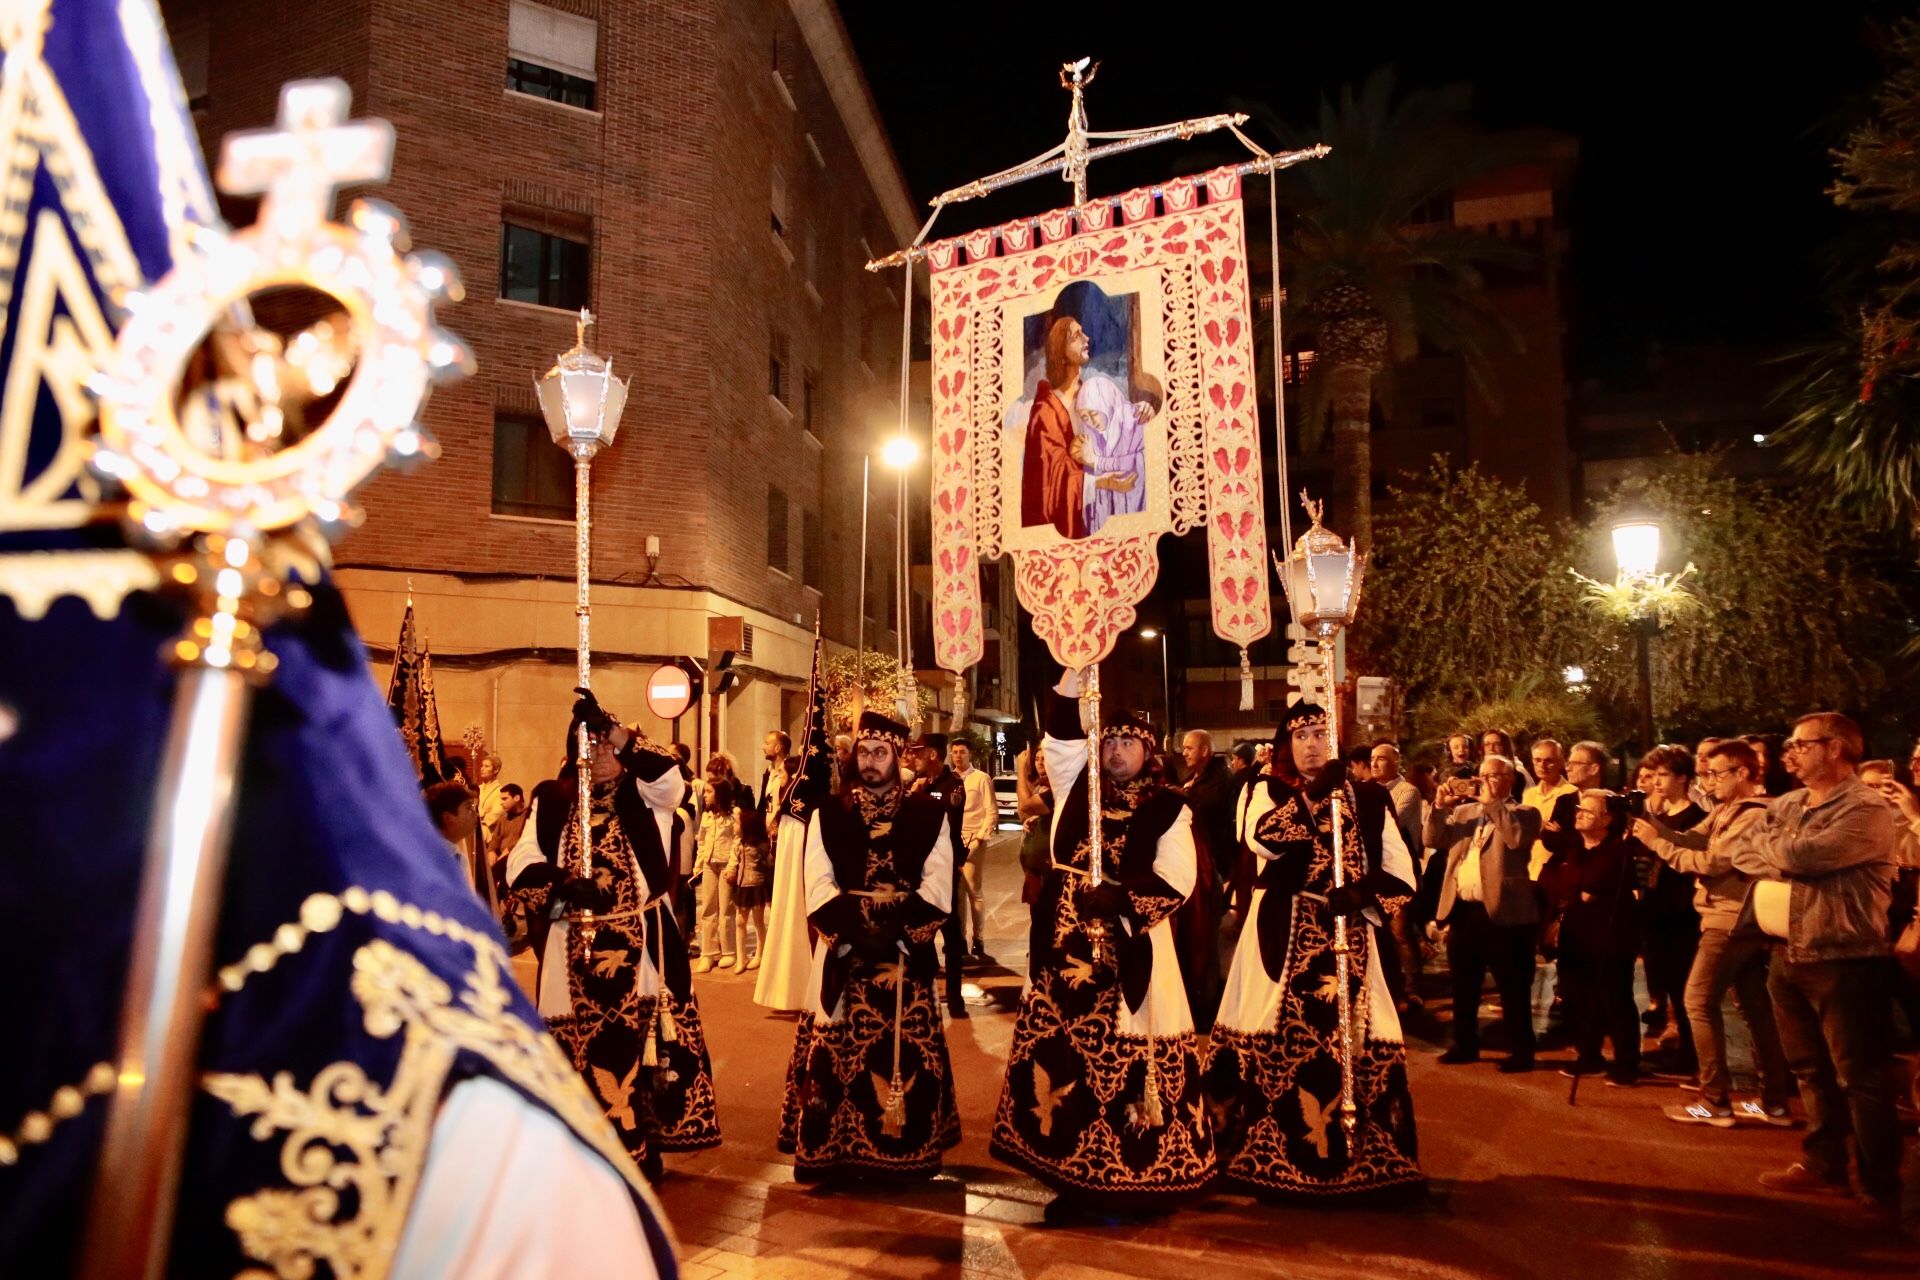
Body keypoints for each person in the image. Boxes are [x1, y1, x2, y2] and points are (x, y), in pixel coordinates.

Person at [991, 673, 1214, 1206]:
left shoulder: (1170, 806)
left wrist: (1122, 900)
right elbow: (1062, 728)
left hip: (1133, 950)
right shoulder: (1077, 787)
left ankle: (1134, 1176)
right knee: (1067, 1060)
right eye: (1109, 741)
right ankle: (1069, 1171)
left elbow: (1178, 879)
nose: (1116, 751)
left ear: (1148, 750)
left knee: (1130, 1058)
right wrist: (1073, 664)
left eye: (1127, 743)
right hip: (1066, 950)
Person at [1207, 702, 1422, 1199]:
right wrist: (1309, 799)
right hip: (1282, 931)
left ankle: (1361, 1160)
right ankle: (1259, 1155)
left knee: (1354, 1035)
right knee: (1266, 1026)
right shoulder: (1265, 790)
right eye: (1300, 736)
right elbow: (1263, 843)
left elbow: (1402, 873)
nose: (1310, 744)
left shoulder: (1368, 799)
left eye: (1320, 734)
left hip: (1347, 937)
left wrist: (1365, 894)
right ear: (1286, 744)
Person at [507, 691, 721, 1180]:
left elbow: (672, 777)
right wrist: (561, 883)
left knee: (645, 1049)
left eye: (608, 744)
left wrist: (620, 730)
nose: (600, 752)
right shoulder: (553, 798)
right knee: (579, 1050)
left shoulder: (645, 792)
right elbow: (522, 860)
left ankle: (641, 1147)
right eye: (591, 743)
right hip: (573, 946)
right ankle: (581, 1153)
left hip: (643, 942)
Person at [1732, 713, 1903, 1219]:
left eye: (1801, 744)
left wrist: (1777, 849)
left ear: (1835, 748)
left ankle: (1880, 1181)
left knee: (1859, 1075)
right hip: (1787, 953)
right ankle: (1823, 1161)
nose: (1791, 752)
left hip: (1845, 957)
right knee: (1809, 1068)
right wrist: (1779, 850)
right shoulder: (1787, 803)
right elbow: (1738, 849)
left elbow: (1806, 857)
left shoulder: (1867, 809)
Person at [777, 711, 960, 1181]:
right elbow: (817, 881)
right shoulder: (828, 813)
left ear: (899, 757)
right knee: (836, 1051)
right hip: (846, 953)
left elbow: (939, 886)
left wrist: (897, 931)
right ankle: (834, 1153)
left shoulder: (929, 814)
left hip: (904, 952)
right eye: (864, 752)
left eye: (881, 752)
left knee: (905, 1055)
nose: (872, 761)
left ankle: (903, 1157)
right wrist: (856, 932)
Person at [1630, 740, 1794, 1127]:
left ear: (1743, 773)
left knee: (1698, 1001)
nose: (1710, 781)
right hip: (1736, 917)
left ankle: (1714, 1099)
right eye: (1706, 773)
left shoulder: (1752, 815)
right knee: (1755, 1007)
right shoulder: (1725, 811)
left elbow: (1709, 861)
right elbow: (1691, 837)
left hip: (1729, 919)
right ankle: (1773, 1100)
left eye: (1717, 774)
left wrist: (1657, 844)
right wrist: (1650, 821)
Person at [1427, 755, 1542, 1071]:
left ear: (1510, 779)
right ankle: (1465, 1044)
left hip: (1504, 914)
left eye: (1494, 775)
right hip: (1464, 910)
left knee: (1512, 987)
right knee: (1464, 984)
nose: (1485, 781)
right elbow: (1432, 839)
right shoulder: (1464, 812)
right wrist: (1439, 807)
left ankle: (1521, 1051)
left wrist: (1493, 805)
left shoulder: (1525, 813)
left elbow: (1516, 839)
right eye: (1482, 775)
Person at [1543, 789, 1643, 1085]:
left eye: (1588, 811)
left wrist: (1572, 888)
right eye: (1579, 809)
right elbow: (1563, 885)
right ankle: (1589, 1054)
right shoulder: (1576, 847)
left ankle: (1627, 1063)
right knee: (1578, 996)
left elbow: (1588, 890)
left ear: (1607, 819)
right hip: (1576, 932)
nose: (1580, 814)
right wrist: (1572, 889)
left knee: (1615, 999)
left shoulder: (1616, 852)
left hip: (1609, 935)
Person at [1638, 744, 1707, 1077]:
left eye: (1664, 775)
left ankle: (1691, 1056)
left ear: (1683, 778)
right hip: (1655, 907)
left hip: (1681, 912)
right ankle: (1680, 1048)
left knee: (1684, 986)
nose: (1657, 782)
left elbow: (1687, 859)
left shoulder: (1696, 818)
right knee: (1665, 982)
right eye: (1653, 776)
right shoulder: (1659, 816)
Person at [907, 732, 970, 1016]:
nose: (914, 758)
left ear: (932, 755)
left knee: (951, 936)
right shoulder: (924, 784)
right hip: (921, 872)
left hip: (944, 873)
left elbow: (945, 818)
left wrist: (918, 798)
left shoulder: (952, 786)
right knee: (921, 935)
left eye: (919, 753)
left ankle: (955, 999)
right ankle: (925, 995)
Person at [1020, 317, 1093, 539]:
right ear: (1061, 352)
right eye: (1076, 336)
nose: (1086, 338)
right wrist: (1094, 471)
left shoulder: (1095, 394)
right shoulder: (1046, 409)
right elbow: (1049, 481)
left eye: (1083, 332)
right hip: (1070, 524)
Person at [1370, 742, 1426, 1013]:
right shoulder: (1369, 790)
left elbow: (1391, 820)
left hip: (1399, 870)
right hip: (1375, 870)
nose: (1375, 764)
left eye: (1382, 759)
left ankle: (1414, 990)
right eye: (1373, 758)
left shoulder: (1408, 792)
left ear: (1396, 763)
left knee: (1401, 930)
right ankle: (1390, 990)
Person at [693, 754, 744, 974]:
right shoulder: (707, 816)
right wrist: (698, 863)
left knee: (726, 909)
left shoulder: (733, 815)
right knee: (707, 909)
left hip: (725, 865)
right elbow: (702, 842)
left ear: (720, 793)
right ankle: (708, 952)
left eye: (709, 791)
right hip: (709, 865)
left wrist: (732, 866)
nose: (705, 795)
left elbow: (737, 842)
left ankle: (729, 951)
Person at [951, 737, 997, 963]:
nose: (958, 756)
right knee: (956, 895)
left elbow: (991, 812)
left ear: (970, 755)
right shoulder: (949, 779)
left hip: (973, 840)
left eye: (962, 751)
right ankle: (959, 940)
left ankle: (978, 939)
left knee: (973, 891)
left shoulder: (981, 779)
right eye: (955, 752)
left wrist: (979, 839)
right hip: (952, 842)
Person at [1523, 739, 1578, 880]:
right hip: (1528, 870)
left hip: (1555, 873)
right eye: (1538, 760)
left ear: (1561, 762)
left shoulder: (1571, 794)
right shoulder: (1529, 794)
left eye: (1549, 761)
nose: (1542, 765)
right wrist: (1541, 825)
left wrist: (1532, 826)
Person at [733, 804, 771, 971]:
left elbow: (769, 863)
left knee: (758, 922)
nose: (734, 826)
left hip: (756, 887)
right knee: (739, 921)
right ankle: (741, 958)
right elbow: (733, 861)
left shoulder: (761, 846)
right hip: (742, 887)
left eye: (736, 823)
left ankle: (760, 955)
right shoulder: (738, 844)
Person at [759, 729, 792, 819]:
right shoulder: (768, 773)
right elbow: (763, 804)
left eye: (767, 743)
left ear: (777, 748)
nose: (763, 747)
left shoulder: (791, 772)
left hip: (783, 828)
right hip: (768, 829)